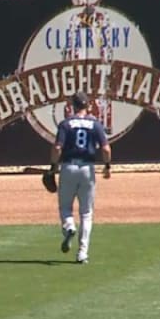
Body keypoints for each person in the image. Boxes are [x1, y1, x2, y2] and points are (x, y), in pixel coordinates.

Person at [49, 91, 111, 264]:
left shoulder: (65, 124)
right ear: (88, 106)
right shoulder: (95, 124)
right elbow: (106, 149)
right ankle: (82, 253)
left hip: (68, 167)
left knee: (65, 208)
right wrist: (107, 166)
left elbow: (57, 148)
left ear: (72, 106)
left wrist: (53, 166)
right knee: (86, 212)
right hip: (88, 169)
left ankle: (69, 226)